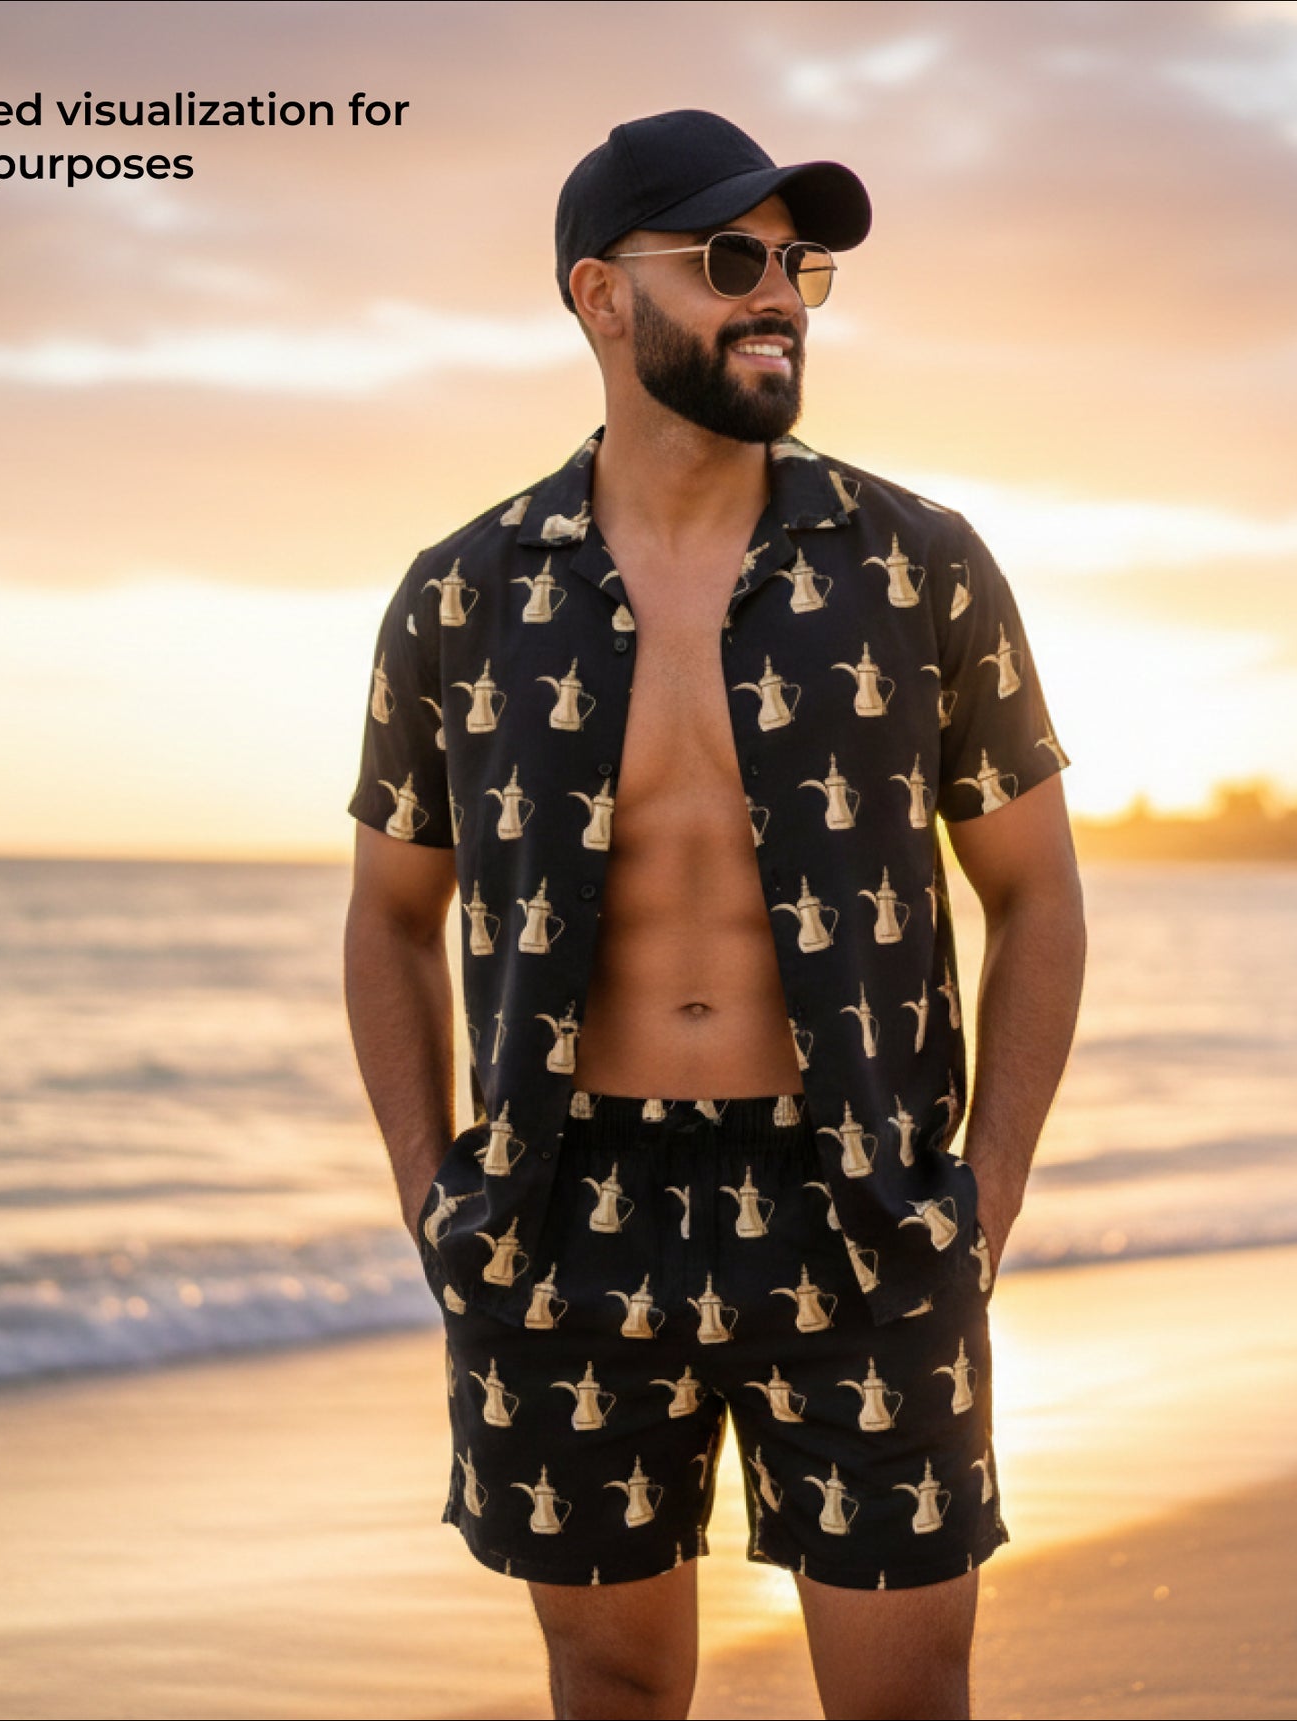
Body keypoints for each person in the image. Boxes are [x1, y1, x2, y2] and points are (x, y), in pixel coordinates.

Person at [344, 108, 1087, 1721]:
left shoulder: (916, 567)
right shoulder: (466, 595)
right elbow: (389, 914)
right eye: (732, 261)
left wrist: (988, 1193)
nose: (781, 299)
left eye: (797, 265)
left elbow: (1035, 894)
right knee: (608, 1681)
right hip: (562, 1211)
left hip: (862, 1204)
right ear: (601, 296)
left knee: (904, 1691)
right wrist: (432, 1192)